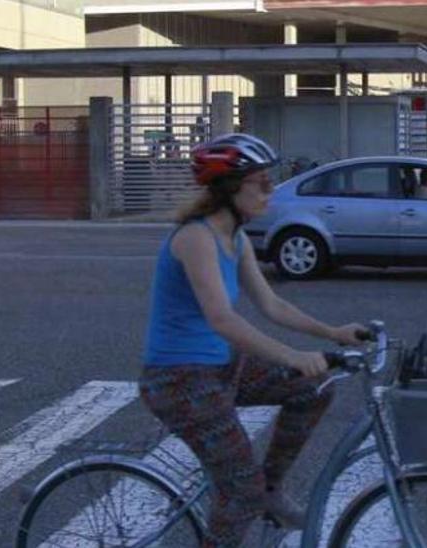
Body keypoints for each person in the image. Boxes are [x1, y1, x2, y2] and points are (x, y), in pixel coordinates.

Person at [140, 133, 366, 547]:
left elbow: (272, 304)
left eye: (270, 180)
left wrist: (332, 333)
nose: (269, 190)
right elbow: (221, 318)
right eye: (260, 182)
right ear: (229, 188)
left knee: (313, 388)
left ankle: (272, 489)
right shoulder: (196, 238)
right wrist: (293, 354)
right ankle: (253, 495)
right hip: (178, 381)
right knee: (240, 493)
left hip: (218, 369)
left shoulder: (236, 238)